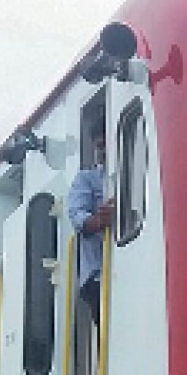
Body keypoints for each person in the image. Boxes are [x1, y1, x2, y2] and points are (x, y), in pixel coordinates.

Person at [67, 120, 113, 326]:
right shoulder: (86, 179)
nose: (102, 150)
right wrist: (98, 221)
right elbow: (77, 216)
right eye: (99, 145)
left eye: (106, 144)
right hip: (97, 275)